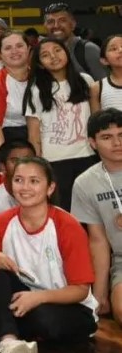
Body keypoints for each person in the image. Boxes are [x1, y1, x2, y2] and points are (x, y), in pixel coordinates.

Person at [0, 157, 98, 353]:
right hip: (23, 297)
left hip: (68, 305)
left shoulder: (67, 225)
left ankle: (6, 327)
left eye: (34, 181)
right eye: (18, 180)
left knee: (45, 320)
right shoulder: (2, 223)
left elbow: (80, 290)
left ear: (50, 188)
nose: (25, 187)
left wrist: (37, 298)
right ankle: (9, 340)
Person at [24, 37, 97, 211]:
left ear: (67, 53)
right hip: (54, 160)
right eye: (45, 55)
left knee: (91, 209)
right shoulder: (36, 89)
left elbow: (96, 119)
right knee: (63, 209)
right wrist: (39, 164)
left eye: (57, 50)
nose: (53, 56)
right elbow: (33, 134)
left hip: (87, 155)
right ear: (40, 64)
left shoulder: (85, 80)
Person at [72, 108, 122, 322]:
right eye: (107, 137)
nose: (117, 143)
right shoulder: (85, 183)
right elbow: (98, 240)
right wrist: (99, 294)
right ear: (93, 143)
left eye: (121, 135)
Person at [0, 31, 30, 171]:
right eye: (8, 48)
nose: (14, 51)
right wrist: (4, 160)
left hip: (34, 147)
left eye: (19, 46)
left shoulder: (40, 78)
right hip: (4, 147)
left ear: (28, 49)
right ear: (0, 54)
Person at [43, 2, 105, 79]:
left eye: (62, 20)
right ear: (45, 26)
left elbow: (105, 85)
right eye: (50, 22)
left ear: (73, 24)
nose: (56, 25)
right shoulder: (42, 53)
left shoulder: (88, 49)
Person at [0, 140, 36, 223]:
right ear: (2, 166)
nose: (22, 165)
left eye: (27, 160)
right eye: (15, 161)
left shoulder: (42, 187)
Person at [91, 34, 122, 112]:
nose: (120, 50)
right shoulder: (97, 88)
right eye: (114, 49)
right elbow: (96, 118)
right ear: (104, 60)